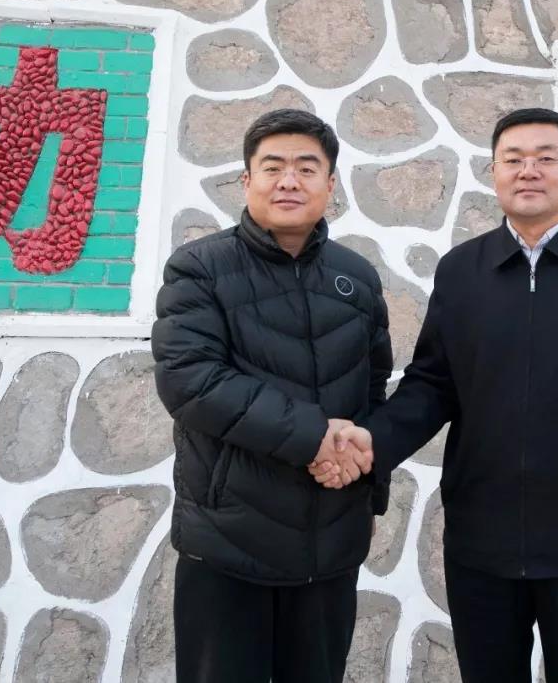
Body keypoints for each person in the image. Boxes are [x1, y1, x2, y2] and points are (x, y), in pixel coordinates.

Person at [314, 107, 558, 683]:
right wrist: (371, 442)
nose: (528, 170)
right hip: (481, 540)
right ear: (494, 173)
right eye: (513, 159)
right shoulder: (462, 270)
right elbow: (433, 384)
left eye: (545, 158)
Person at [152, 109, 391, 683]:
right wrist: (314, 438)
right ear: (247, 180)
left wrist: (359, 465)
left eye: (307, 168)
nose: (289, 181)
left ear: (329, 184)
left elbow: (372, 390)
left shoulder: (357, 278)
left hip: (330, 542)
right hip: (228, 544)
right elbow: (190, 380)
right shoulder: (200, 268)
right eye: (273, 167)